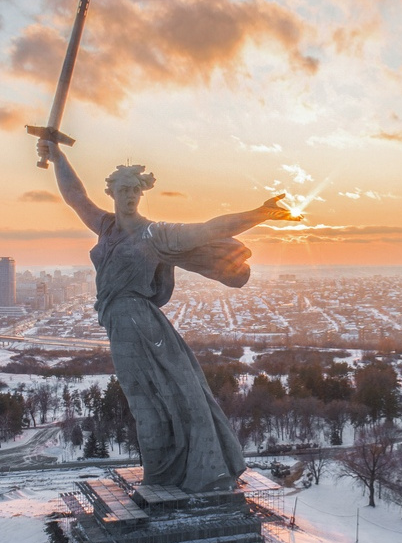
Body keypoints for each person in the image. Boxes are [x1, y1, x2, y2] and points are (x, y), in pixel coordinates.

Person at [37, 138, 299, 492]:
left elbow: (209, 229)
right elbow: (75, 196)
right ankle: (164, 472)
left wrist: (260, 214)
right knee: (147, 399)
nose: (130, 196)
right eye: (124, 190)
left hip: (139, 323)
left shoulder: (156, 234)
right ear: (112, 193)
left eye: (135, 190)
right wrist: (58, 157)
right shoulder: (106, 226)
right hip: (120, 322)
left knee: (153, 399)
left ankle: (169, 474)